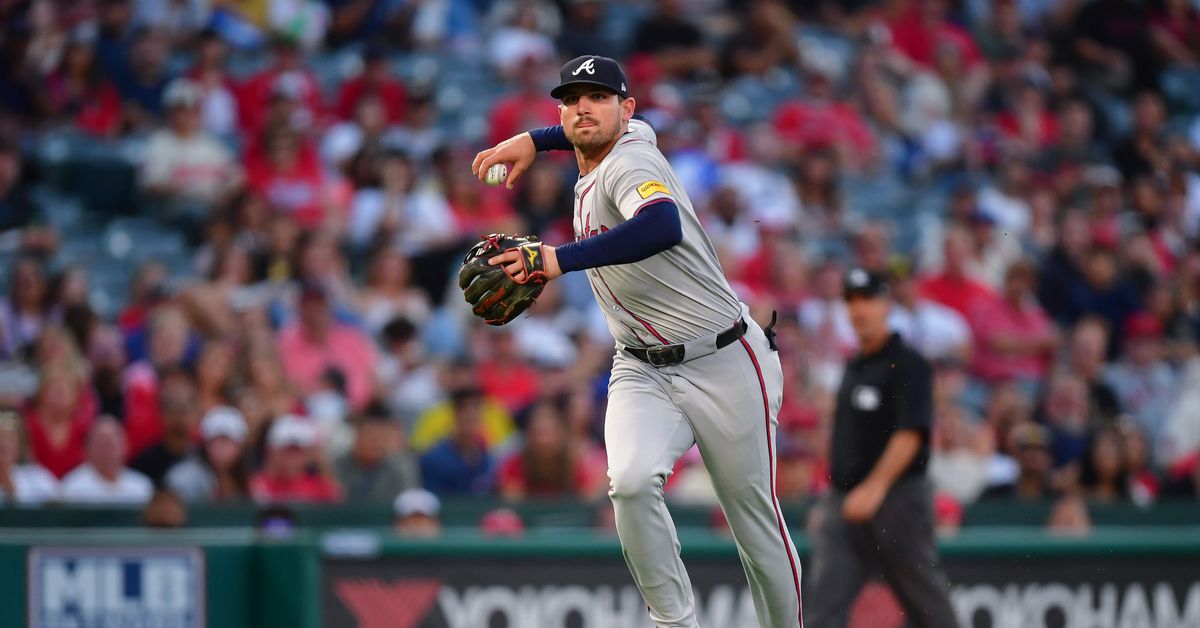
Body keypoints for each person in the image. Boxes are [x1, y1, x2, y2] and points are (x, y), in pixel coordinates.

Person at [472, 55, 802, 628]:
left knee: (755, 526)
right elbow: (583, 134)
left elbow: (660, 224)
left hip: (724, 358)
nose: (583, 107)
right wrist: (534, 139)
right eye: (572, 98)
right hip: (641, 367)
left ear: (626, 109)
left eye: (599, 97)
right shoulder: (625, 136)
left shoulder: (631, 162)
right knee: (627, 484)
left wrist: (556, 260)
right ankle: (675, 623)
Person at [806, 268, 959, 628]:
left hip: (897, 498)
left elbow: (911, 433)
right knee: (822, 608)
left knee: (926, 604)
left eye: (868, 300)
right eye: (852, 301)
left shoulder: (909, 363)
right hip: (846, 503)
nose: (859, 310)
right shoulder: (854, 365)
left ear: (887, 304)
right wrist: (833, 496)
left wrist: (875, 488)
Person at [333, 401, 420, 502]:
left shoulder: (399, 468)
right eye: (368, 436)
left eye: (379, 438)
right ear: (357, 437)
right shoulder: (337, 466)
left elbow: (407, 501)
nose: (373, 443)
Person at [165, 406, 252, 502]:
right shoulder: (184, 477)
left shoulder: (252, 477)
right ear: (205, 445)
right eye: (215, 441)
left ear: (241, 446)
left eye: (227, 441)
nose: (221, 448)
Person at [60, 417, 154, 505]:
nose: (108, 449)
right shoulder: (73, 489)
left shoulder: (141, 486)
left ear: (125, 446)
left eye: (112, 442)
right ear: (87, 449)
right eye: (102, 443)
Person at [0, 411, 59, 504]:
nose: (3, 444)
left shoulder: (37, 477)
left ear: (20, 444)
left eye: (9, 437)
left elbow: (59, 509)